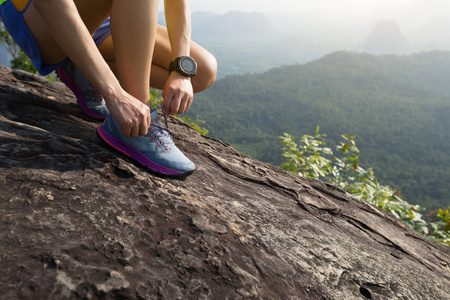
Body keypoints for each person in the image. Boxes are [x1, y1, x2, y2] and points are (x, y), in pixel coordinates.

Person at [0, 0, 217, 176]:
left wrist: (181, 68)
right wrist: (114, 93)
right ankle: (137, 126)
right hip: (40, 15)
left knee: (203, 71)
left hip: (101, 17)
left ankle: (81, 65)